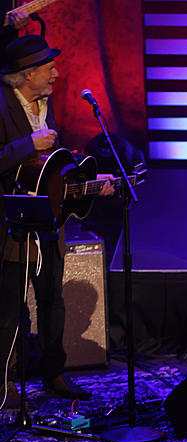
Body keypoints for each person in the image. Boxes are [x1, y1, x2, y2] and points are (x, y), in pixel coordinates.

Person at [0, 35, 114, 406]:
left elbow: (53, 167)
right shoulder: (1, 106)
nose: (57, 74)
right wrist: (26, 146)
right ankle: (5, 381)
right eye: (49, 68)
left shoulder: (46, 104)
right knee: (10, 306)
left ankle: (54, 374)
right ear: (26, 74)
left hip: (50, 220)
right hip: (12, 224)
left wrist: (89, 184)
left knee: (53, 300)